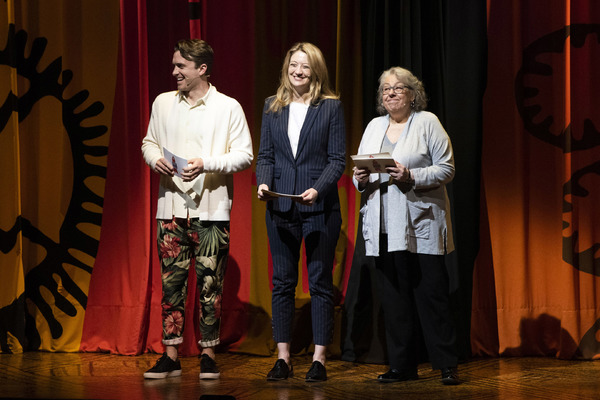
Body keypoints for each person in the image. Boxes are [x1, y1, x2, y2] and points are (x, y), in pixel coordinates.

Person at [141, 39, 253, 380]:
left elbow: (245, 155)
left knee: (210, 285)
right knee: (171, 284)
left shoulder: (228, 107)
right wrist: (155, 159)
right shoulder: (162, 104)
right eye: (174, 65)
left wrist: (206, 163)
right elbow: (148, 142)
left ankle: (207, 353)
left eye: (180, 67)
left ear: (202, 69)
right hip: (171, 209)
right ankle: (171, 354)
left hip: (211, 211)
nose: (174, 72)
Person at [352, 67, 460, 385]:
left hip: (420, 225)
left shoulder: (427, 123)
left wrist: (412, 176)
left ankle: (446, 364)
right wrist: (359, 178)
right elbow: (361, 167)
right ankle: (402, 364)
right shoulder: (374, 126)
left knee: (432, 296)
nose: (391, 93)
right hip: (384, 226)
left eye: (398, 88)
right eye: (385, 89)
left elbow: (447, 168)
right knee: (394, 298)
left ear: (413, 94)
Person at [256, 42, 346, 382]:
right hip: (280, 207)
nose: (298, 71)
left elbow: (337, 159)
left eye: (305, 66)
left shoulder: (330, 107)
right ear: (286, 68)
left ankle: (319, 359)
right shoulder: (272, 106)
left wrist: (318, 189)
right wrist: (263, 183)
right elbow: (265, 155)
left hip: (319, 207)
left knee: (321, 282)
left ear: (316, 71)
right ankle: (283, 357)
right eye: (294, 64)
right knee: (282, 283)